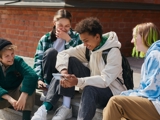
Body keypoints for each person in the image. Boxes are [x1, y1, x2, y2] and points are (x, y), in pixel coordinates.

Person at [55, 17, 127, 120]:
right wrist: (64, 72)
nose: (84, 44)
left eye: (86, 40)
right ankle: (66, 106)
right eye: (82, 41)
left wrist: (77, 81)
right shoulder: (88, 48)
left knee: (89, 89)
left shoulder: (113, 52)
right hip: (94, 82)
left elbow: (104, 80)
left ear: (97, 37)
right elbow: (63, 54)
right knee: (70, 60)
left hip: (112, 90)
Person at [102, 22, 160, 120]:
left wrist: (128, 94)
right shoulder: (152, 55)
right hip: (154, 104)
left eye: (134, 36)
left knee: (115, 102)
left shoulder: (156, 56)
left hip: (156, 105)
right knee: (113, 111)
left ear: (144, 37)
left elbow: (151, 91)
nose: (132, 41)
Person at [31, 9, 82, 120]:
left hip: (68, 73)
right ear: (54, 22)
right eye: (60, 25)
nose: (63, 29)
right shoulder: (45, 39)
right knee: (51, 52)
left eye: (67, 26)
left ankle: (64, 105)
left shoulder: (76, 37)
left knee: (68, 58)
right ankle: (49, 89)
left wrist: (68, 40)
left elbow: (80, 58)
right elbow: (38, 61)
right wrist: (39, 79)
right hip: (50, 76)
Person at [0, 38, 38, 120]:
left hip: (17, 93)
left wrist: (23, 96)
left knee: (29, 84)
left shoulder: (17, 61)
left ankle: (26, 118)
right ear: (0, 58)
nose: (11, 58)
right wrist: (10, 99)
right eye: (7, 56)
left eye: (12, 54)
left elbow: (32, 75)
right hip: (3, 97)